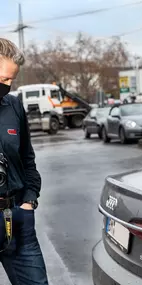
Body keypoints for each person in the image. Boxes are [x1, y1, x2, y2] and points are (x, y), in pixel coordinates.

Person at [0, 38, 48, 284]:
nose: (8, 85)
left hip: (17, 216)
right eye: (3, 79)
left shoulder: (14, 105)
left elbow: (28, 159)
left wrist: (29, 199)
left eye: (11, 80)